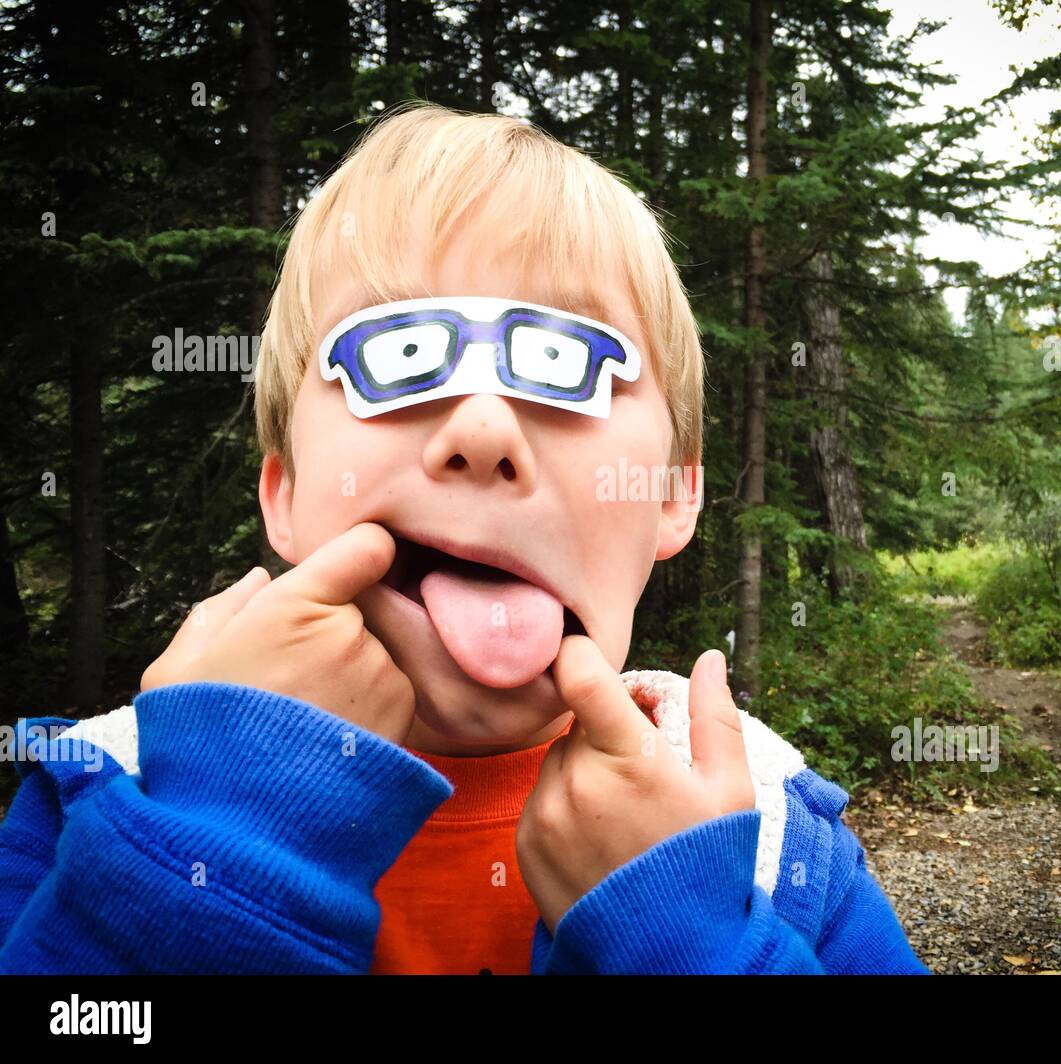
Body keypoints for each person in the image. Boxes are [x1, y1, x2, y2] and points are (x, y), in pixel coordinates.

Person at [0, 102, 927, 975]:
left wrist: (689, 936)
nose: (483, 431)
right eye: (399, 356)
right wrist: (223, 836)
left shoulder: (765, 836)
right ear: (282, 494)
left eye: (564, 364)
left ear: (674, 496)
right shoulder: (111, 794)